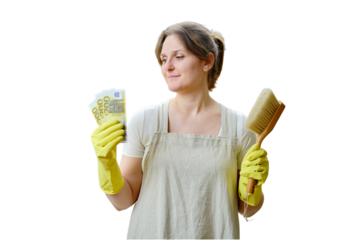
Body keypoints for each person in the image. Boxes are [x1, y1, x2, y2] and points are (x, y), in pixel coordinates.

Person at [90, 20, 270, 240]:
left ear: (207, 62)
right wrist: (106, 163)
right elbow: (123, 203)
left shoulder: (239, 125)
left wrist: (253, 190)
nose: (167, 67)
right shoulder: (145, 119)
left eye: (178, 56)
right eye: (163, 59)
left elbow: (249, 211)